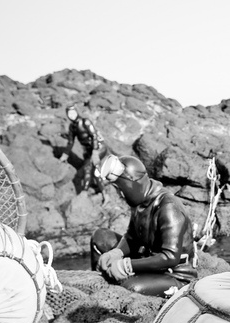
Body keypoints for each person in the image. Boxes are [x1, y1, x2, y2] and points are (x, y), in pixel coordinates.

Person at [91, 154, 197, 296]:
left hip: (174, 275)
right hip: (147, 259)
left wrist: (127, 265)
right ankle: (100, 281)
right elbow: (131, 238)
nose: (120, 194)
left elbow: (170, 257)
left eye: (120, 189)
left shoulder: (169, 207)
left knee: (130, 288)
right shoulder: (139, 202)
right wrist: (116, 253)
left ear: (133, 183)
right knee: (100, 237)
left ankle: (119, 281)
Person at [60, 105, 109, 202]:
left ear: (77, 112)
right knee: (94, 171)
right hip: (89, 151)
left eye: (73, 112)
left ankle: (84, 193)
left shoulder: (85, 122)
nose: (72, 115)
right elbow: (70, 142)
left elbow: (94, 135)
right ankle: (105, 194)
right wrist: (65, 155)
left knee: (88, 168)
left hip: (99, 147)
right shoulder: (72, 127)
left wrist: (95, 152)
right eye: (69, 114)